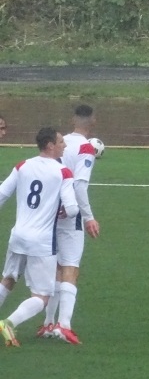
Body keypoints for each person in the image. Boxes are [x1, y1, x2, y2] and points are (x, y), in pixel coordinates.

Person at [0, 127, 79, 347]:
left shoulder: (23, 166)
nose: (64, 145)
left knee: (7, 280)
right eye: (61, 142)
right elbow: (72, 209)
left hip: (18, 236)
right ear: (50, 146)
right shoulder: (63, 172)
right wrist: (63, 211)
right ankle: (8, 323)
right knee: (42, 297)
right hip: (41, 242)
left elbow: (2, 194)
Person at [38, 105, 101, 344]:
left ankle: (48, 323)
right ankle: (64, 325)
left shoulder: (59, 143)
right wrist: (88, 217)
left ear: (73, 120)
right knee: (71, 267)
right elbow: (80, 185)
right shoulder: (86, 147)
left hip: (49, 212)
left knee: (56, 267)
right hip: (70, 213)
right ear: (93, 122)